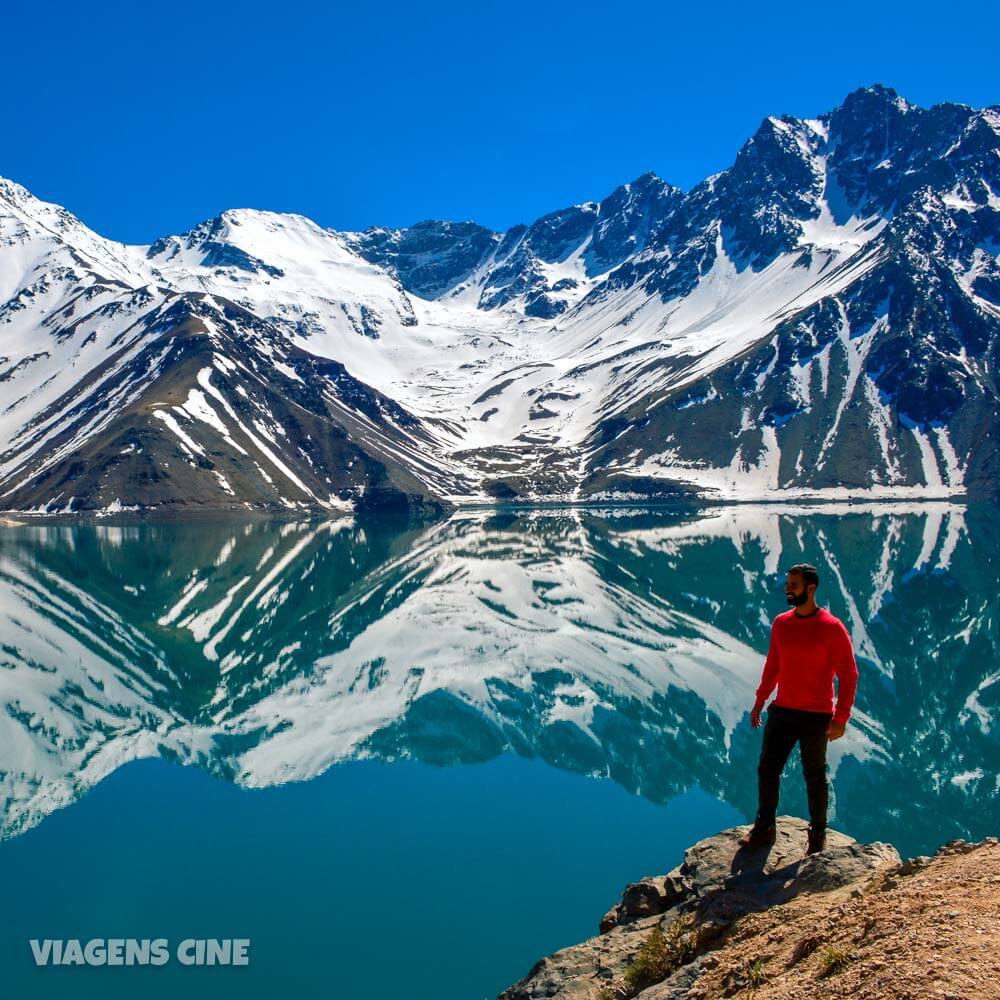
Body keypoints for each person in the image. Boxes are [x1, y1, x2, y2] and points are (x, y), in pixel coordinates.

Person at [738, 563, 859, 855]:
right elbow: (773, 666)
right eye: (788, 584)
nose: (788, 589)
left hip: (816, 716)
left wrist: (841, 717)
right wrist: (760, 701)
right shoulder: (781, 623)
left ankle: (817, 835)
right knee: (767, 769)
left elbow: (849, 674)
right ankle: (764, 828)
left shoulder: (832, 628)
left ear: (811, 588)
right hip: (783, 710)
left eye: (794, 584)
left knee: (814, 775)